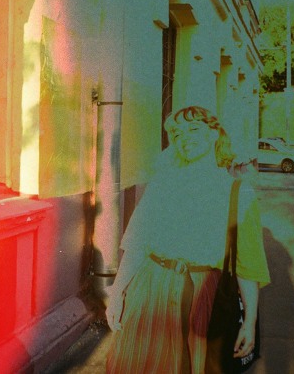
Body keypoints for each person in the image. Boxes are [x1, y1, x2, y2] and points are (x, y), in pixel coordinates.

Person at [106, 106, 270, 373]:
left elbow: (248, 265)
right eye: (178, 134)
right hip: (151, 291)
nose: (185, 138)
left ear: (214, 134)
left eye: (194, 129)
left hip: (203, 295)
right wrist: (117, 294)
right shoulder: (162, 184)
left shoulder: (238, 193)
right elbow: (137, 244)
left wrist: (249, 322)